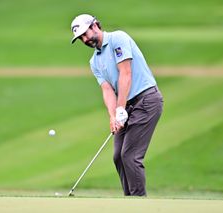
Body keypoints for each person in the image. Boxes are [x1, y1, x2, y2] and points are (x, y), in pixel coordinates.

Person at [70, 14, 163, 196]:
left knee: (130, 155)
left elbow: (125, 73)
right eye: (81, 38)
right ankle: (129, 200)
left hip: (146, 101)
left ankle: (138, 202)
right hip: (126, 107)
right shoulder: (94, 62)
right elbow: (107, 90)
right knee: (117, 157)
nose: (85, 39)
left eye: (85, 33)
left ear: (95, 25)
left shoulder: (118, 39)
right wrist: (113, 116)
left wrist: (120, 108)